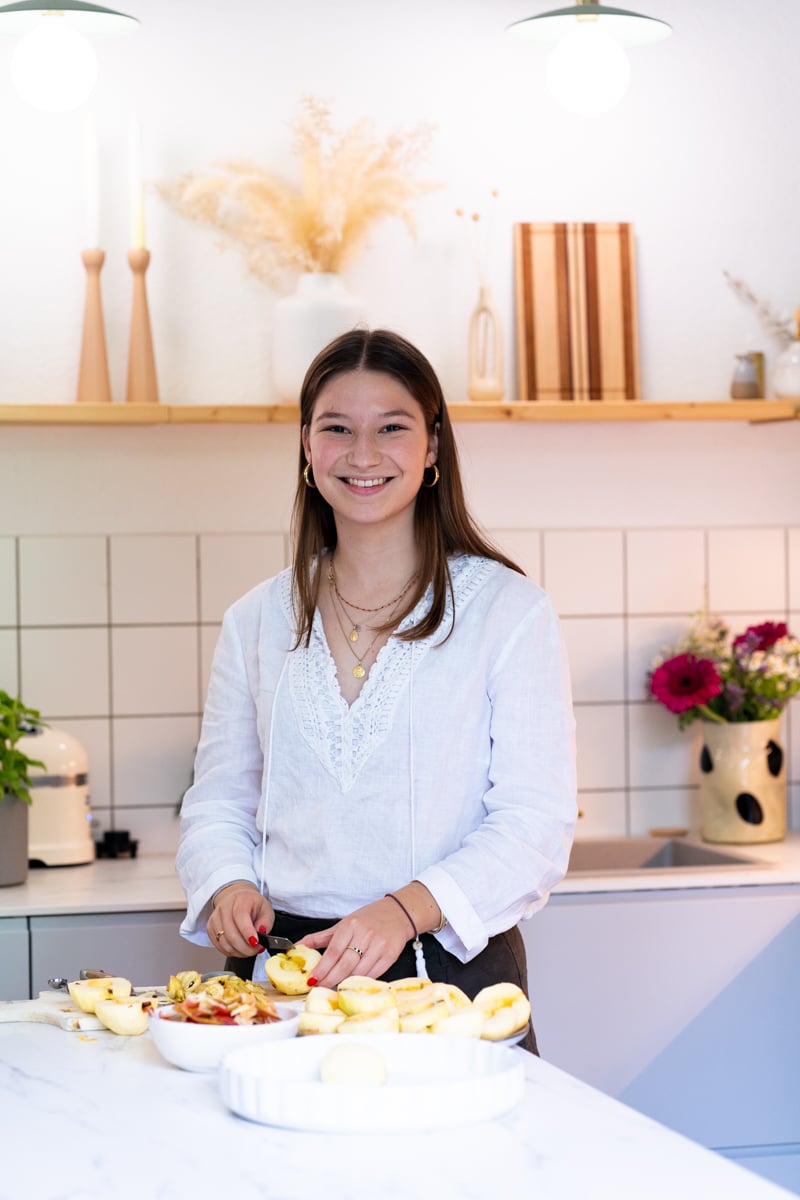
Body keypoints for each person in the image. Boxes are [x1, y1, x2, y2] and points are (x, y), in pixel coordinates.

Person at [176, 328, 576, 1054]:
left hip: (449, 980)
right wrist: (226, 883)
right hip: (279, 985)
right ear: (306, 446)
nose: (363, 455)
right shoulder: (255, 620)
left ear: (431, 447)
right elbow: (219, 798)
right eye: (337, 429)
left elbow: (534, 825)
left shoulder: (509, 613)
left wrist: (401, 912)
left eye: (391, 427)